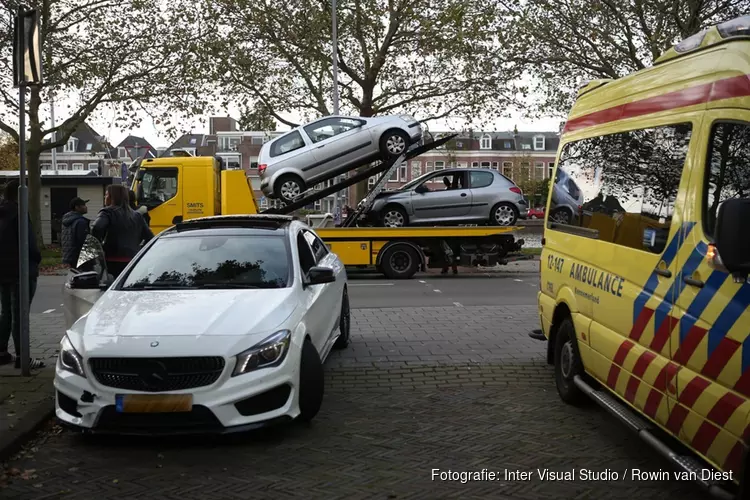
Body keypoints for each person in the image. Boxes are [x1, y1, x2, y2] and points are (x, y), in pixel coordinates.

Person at [0, 180, 45, 369]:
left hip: (2, 270)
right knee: (20, 313)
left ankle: (2, 352)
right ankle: (22, 356)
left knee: (6, 312)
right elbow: (29, 244)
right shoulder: (20, 213)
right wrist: (37, 259)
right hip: (21, 269)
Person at [92, 184, 154, 278]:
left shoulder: (107, 212)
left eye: (106, 194)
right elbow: (150, 237)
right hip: (132, 259)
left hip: (112, 259)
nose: (105, 197)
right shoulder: (137, 215)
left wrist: (99, 245)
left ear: (112, 197)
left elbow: (97, 227)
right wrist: (139, 248)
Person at [61, 197, 90, 268]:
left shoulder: (67, 220)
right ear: (77, 207)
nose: (86, 207)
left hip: (70, 255)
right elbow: (83, 241)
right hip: (80, 257)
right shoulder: (80, 222)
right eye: (83, 205)